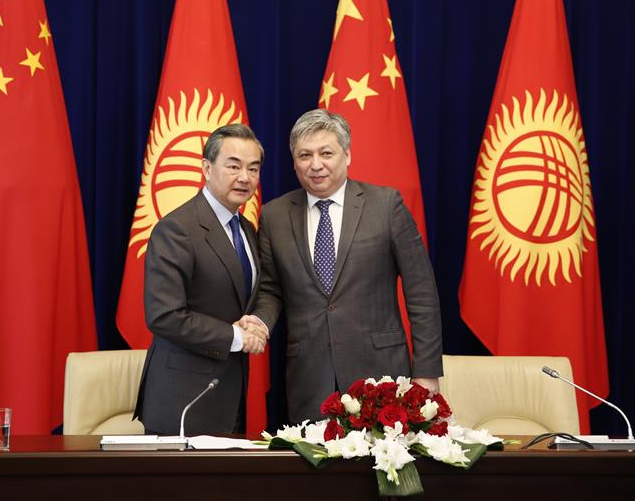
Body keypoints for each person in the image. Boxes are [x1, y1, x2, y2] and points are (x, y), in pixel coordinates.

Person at [246, 109, 443, 424]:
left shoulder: (386, 205)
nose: (316, 164)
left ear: (347, 155)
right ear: (293, 161)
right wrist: (259, 321)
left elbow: (420, 290)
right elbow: (271, 288)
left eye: (326, 153)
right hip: (310, 377)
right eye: (304, 155)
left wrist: (427, 372)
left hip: (381, 374)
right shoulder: (274, 216)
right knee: (314, 470)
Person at [134, 123, 269, 435]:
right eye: (233, 166)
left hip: (229, 393)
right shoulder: (178, 229)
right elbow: (164, 315)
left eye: (253, 168)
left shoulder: (246, 229)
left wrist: (257, 324)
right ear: (207, 168)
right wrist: (237, 338)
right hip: (184, 398)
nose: (244, 178)